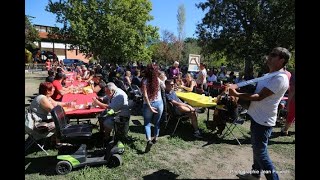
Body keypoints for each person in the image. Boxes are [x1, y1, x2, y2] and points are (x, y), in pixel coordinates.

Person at [228, 47, 291, 180]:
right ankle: (255, 175)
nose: (269, 56)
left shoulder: (280, 78)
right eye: (270, 54)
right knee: (257, 149)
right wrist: (236, 87)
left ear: (282, 60)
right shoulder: (268, 74)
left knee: (261, 153)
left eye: (273, 55)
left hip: (264, 120)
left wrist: (237, 94)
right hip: (256, 116)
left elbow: (259, 96)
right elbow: (253, 88)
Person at [141, 64, 164, 153]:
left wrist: (150, 107)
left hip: (148, 104)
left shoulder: (144, 81)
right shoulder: (158, 80)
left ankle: (149, 140)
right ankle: (156, 137)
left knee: (147, 123)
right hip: (159, 103)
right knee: (157, 122)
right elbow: (165, 87)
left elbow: (145, 96)